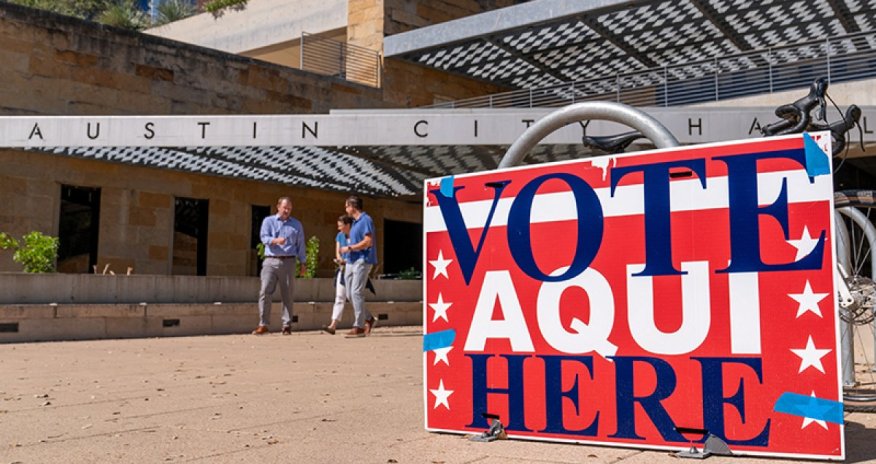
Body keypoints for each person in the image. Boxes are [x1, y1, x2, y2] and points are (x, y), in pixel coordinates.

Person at [253, 196, 306, 335]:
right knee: (265, 291)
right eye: (284, 208)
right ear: (278, 207)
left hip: (289, 261)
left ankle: (287, 325)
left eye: (289, 208)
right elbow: (263, 237)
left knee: (287, 294)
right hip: (271, 260)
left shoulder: (297, 224)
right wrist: (275, 240)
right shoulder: (268, 221)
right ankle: (263, 324)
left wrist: (303, 263)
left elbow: (301, 244)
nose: (287, 211)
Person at [340, 195, 377, 337]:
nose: (346, 209)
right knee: (350, 293)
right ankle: (368, 318)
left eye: (346, 206)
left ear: (352, 206)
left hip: (362, 259)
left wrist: (350, 248)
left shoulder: (365, 220)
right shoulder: (354, 222)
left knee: (356, 292)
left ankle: (359, 325)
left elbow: (368, 241)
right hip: (351, 260)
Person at [323, 215, 353, 335]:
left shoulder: (355, 235)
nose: (339, 228)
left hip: (353, 268)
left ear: (347, 225)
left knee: (353, 297)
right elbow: (338, 251)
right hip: (343, 268)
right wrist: (340, 259)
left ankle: (368, 318)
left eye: (341, 226)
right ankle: (333, 325)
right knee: (340, 296)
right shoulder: (340, 236)